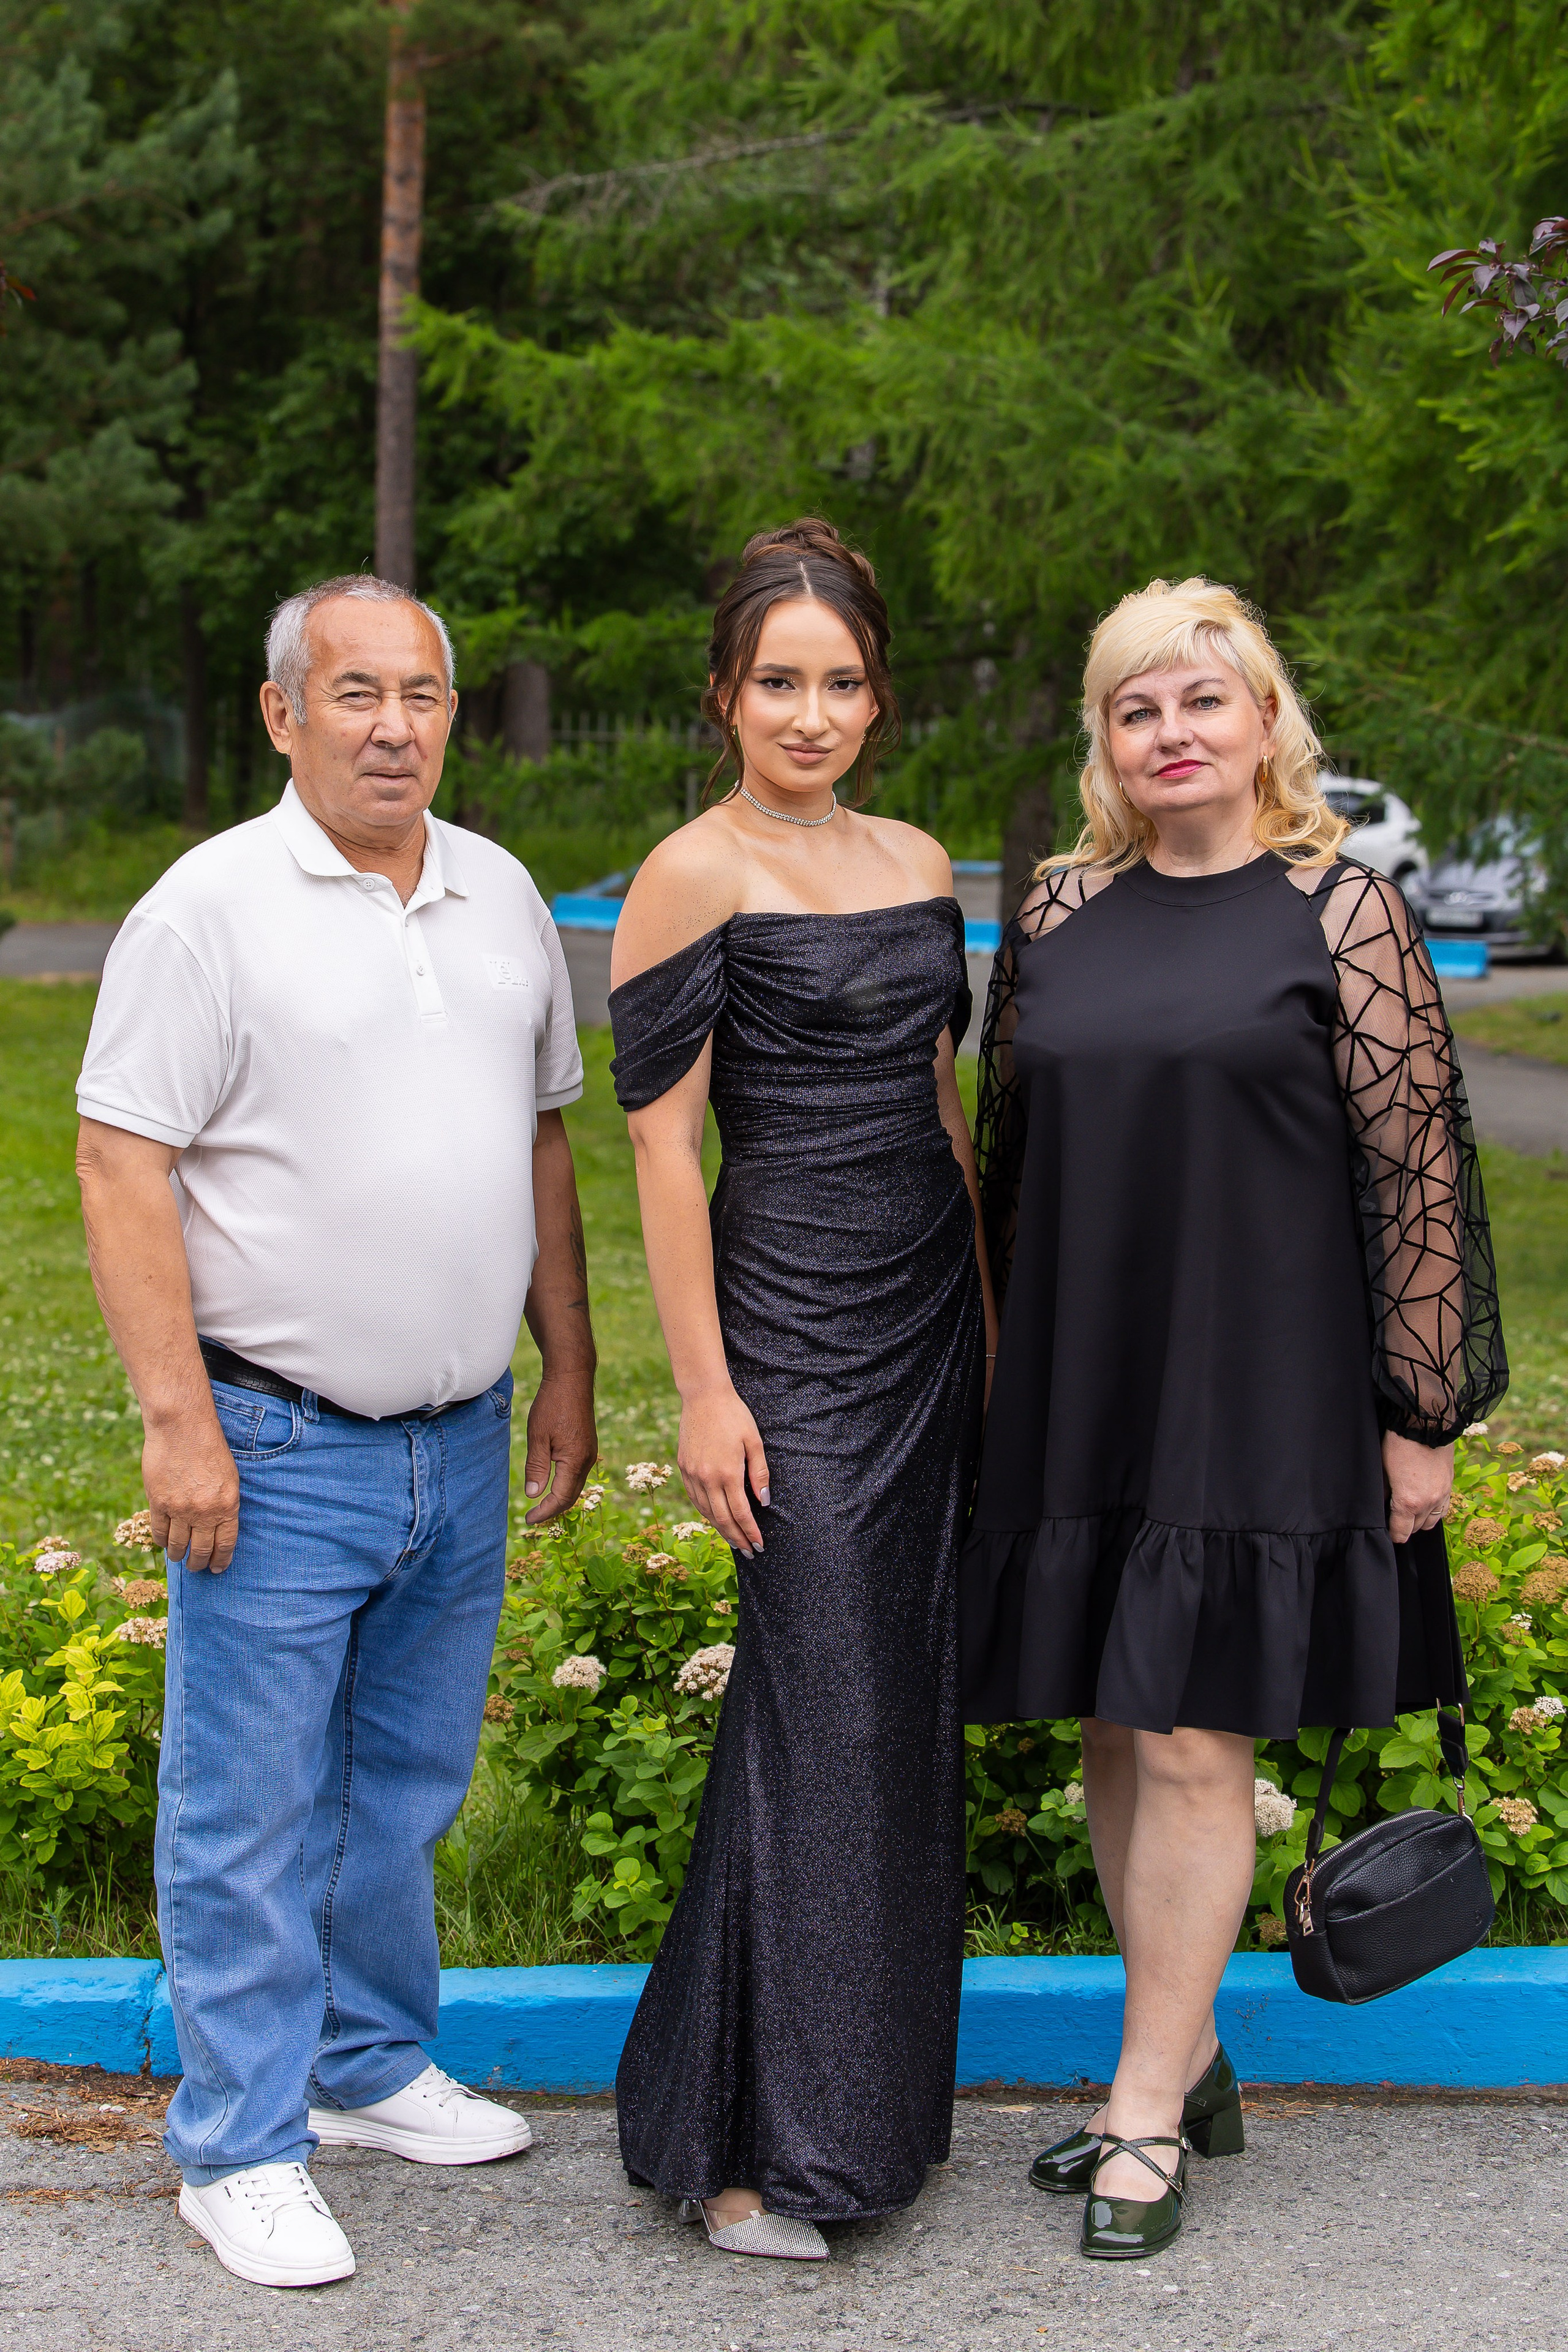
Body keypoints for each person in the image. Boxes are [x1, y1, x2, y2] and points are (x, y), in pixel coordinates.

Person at [962, 576, 1507, 2263]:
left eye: (1203, 700)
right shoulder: (1055, 908)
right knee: (1116, 1732)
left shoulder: (1342, 911)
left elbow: (1420, 1176)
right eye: (1137, 708)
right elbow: (1009, 1158)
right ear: (1104, 743)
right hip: (1083, 1367)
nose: (1171, 732)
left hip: (1263, 1379)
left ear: (1266, 720)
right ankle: (1181, 2059)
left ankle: (1140, 2108)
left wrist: (1419, 1418)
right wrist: (996, 1378)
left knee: (1197, 1733)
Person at [74, 574, 597, 2290]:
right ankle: (237, 2143)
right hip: (276, 1440)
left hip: (461, 1436)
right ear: (284, 712)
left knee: (402, 1786)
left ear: (453, 713)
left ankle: (366, 2066)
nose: (394, 725)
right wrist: (177, 1427)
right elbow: (119, 1162)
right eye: (354, 692)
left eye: (423, 694)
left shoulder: (501, 892)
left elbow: (542, 1144)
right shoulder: (205, 911)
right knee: (248, 1803)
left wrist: (572, 1366)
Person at [606, 518, 995, 2260]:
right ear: (725, 695)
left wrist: (990, 1324)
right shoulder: (690, 872)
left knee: (894, 1715)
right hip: (788, 1337)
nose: (811, 712)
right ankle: (757, 2150)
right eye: (780, 682)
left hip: (927, 1328)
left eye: (840, 683)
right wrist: (704, 1388)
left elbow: (942, 1106)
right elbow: (664, 1151)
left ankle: (861, 2119)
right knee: (820, 1707)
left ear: (878, 698)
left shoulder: (920, 858)